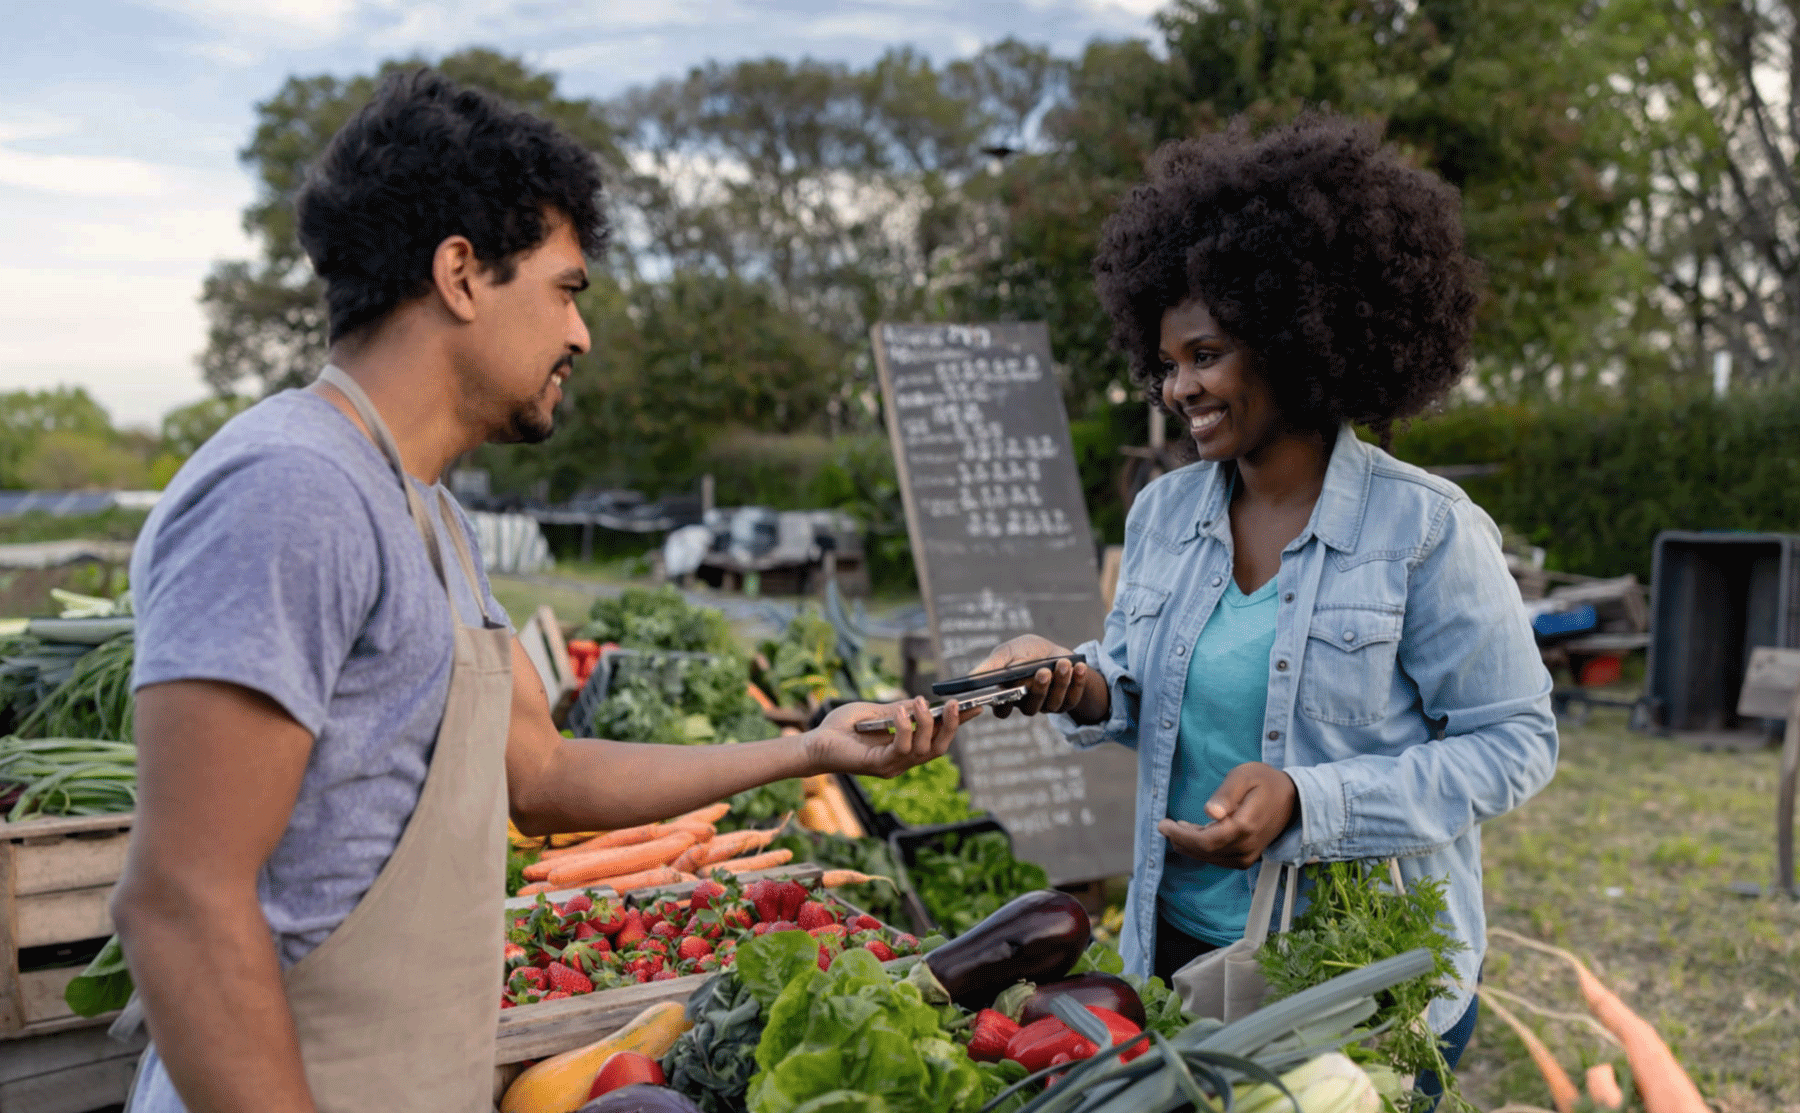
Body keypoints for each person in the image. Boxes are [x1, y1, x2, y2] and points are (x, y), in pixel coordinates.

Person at [112, 69, 972, 1113]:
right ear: (463, 274)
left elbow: (544, 768)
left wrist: (808, 747)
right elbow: (182, 903)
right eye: (566, 289)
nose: (582, 336)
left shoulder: (432, 515)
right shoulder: (293, 493)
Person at [972, 114, 1557, 1088]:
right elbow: (1144, 684)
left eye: (1204, 355)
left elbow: (1516, 744)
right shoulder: (1165, 515)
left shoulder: (1425, 531)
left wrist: (1308, 801)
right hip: (1179, 953)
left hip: (1359, 975)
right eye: (1165, 363)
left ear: (1299, 336)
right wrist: (1076, 686)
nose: (1177, 387)